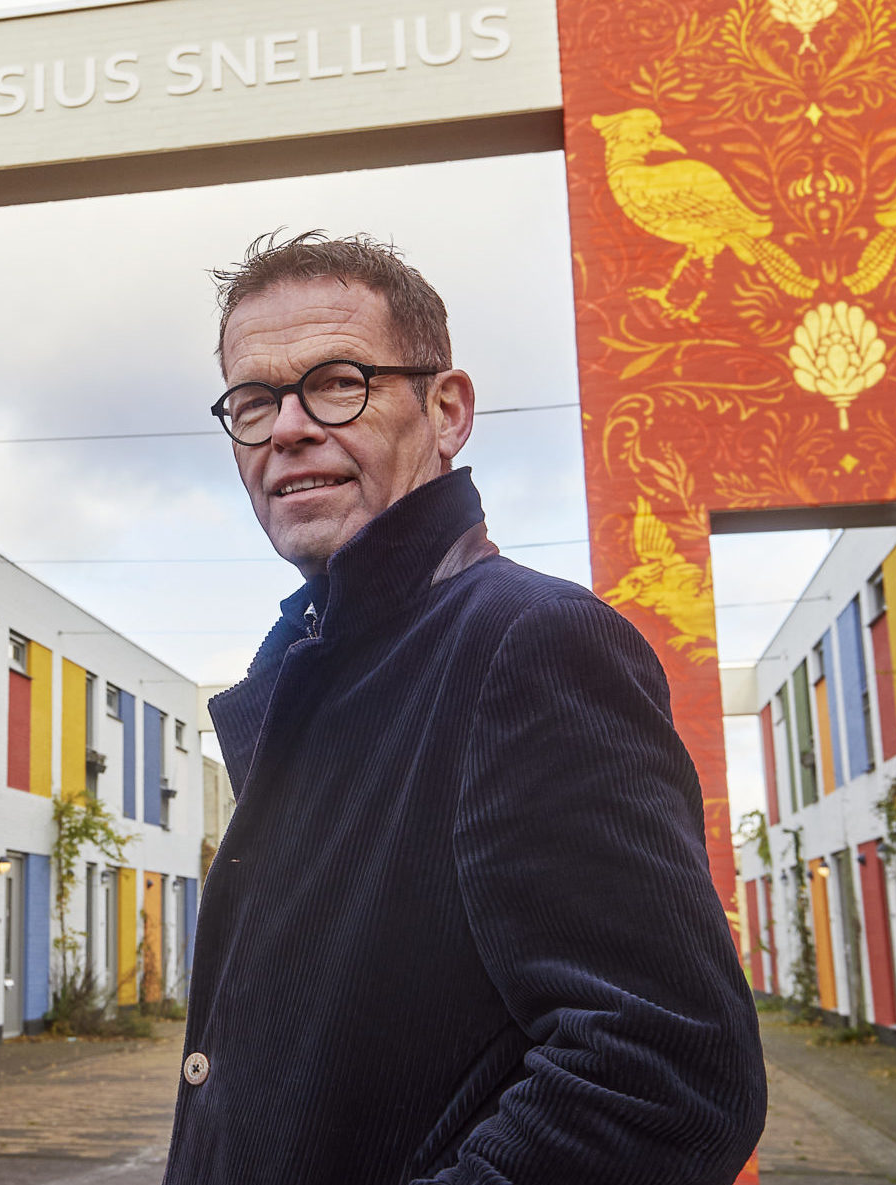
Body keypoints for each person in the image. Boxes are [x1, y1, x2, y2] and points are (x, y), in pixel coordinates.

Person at [165, 232, 764, 1184]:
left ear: (447, 410)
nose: (285, 427)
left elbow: (665, 1070)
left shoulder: (528, 644)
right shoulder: (325, 667)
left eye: (336, 381)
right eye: (252, 399)